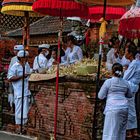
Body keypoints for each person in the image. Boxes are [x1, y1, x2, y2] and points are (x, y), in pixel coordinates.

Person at [98, 63, 132, 140]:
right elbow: (130, 95)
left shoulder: (108, 82)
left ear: (112, 72)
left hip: (112, 109)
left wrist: (108, 95)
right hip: (124, 108)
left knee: (110, 133)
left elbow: (100, 96)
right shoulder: (126, 82)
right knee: (121, 132)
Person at [7, 50, 31, 133]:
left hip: (26, 91)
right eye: (25, 58)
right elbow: (10, 78)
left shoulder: (27, 65)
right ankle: (18, 127)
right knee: (19, 110)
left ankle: (24, 127)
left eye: (27, 58)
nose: (27, 59)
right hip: (19, 91)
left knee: (26, 110)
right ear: (21, 58)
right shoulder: (15, 66)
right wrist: (21, 76)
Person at [123, 43, 140, 138]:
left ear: (130, 54)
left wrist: (125, 71)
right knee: (132, 109)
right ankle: (134, 131)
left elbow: (125, 77)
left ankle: (129, 131)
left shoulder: (134, 64)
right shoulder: (135, 63)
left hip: (130, 87)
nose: (125, 53)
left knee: (128, 109)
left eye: (126, 51)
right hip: (133, 87)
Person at [8, 45, 24, 112]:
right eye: (15, 50)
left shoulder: (23, 59)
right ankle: (12, 107)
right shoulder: (13, 59)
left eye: (17, 51)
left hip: (19, 80)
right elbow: (10, 69)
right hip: (12, 78)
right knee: (11, 93)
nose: (15, 52)